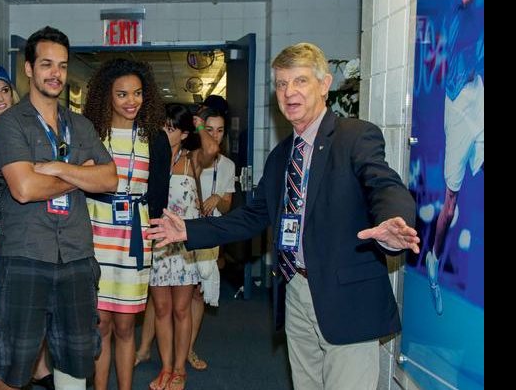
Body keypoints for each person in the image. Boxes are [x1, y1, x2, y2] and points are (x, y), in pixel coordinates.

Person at [148, 42, 420, 389]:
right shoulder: (280, 158)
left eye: (300, 81)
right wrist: (188, 230)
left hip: (345, 298)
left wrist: (393, 219)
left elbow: (383, 184)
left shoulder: (354, 137)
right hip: (296, 291)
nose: (289, 92)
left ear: (324, 86)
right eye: (281, 84)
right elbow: (250, 217)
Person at [0, 26, 118, 390]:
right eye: (46, 64)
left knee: (77, 362)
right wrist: (81, 174)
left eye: (62, 66)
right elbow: (25, 187)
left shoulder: (81, 125)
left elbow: (109, 179)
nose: (55, 74)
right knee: (13, 365)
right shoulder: (10, 124)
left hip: (76, 257)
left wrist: (59, 169)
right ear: (29, 68)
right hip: (26, 257)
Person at [82, 58, 170, 390]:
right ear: (107, 96)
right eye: (122, 94)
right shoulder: (91, 135)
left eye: (137, 93)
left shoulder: (155, 139)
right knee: (100, 325)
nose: (131, 101)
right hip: (95, 236)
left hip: (134, 240)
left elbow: (158, 197)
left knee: (124, 326)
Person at [0, 64, 54, 389]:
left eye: (4, 90)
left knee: (33, 307)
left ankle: (40, 368)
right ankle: (2, 371)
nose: (0, 99)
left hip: (22, 237)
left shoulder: (27, 131)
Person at [425, 0, 484, 316]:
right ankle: (433, 257)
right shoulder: (456, 13)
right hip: (459, 108)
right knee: (450, 204)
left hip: (478, 96)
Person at [147, 103, 218, 390]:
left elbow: (212, 148)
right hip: (159, 244)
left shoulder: (193, 159)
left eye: (172, 127)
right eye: (164, 125)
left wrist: (201, 124)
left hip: (185, 246)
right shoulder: (154, 158)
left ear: (184, 132)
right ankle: (165, 368)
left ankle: (179, 370)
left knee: (181, 309)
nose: (166, 131)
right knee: (161, 309)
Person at [188, 104, 235, 372]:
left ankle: (189, 348)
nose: (215, 136)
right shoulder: (187, 157)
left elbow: (227, 208)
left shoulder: (227, 166)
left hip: (210, 233)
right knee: (168, 296)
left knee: (197, 293)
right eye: (209, 130)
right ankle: (147, 347)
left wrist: (219, 197)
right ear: (199, 129)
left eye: (220, 131)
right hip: (182, 231)